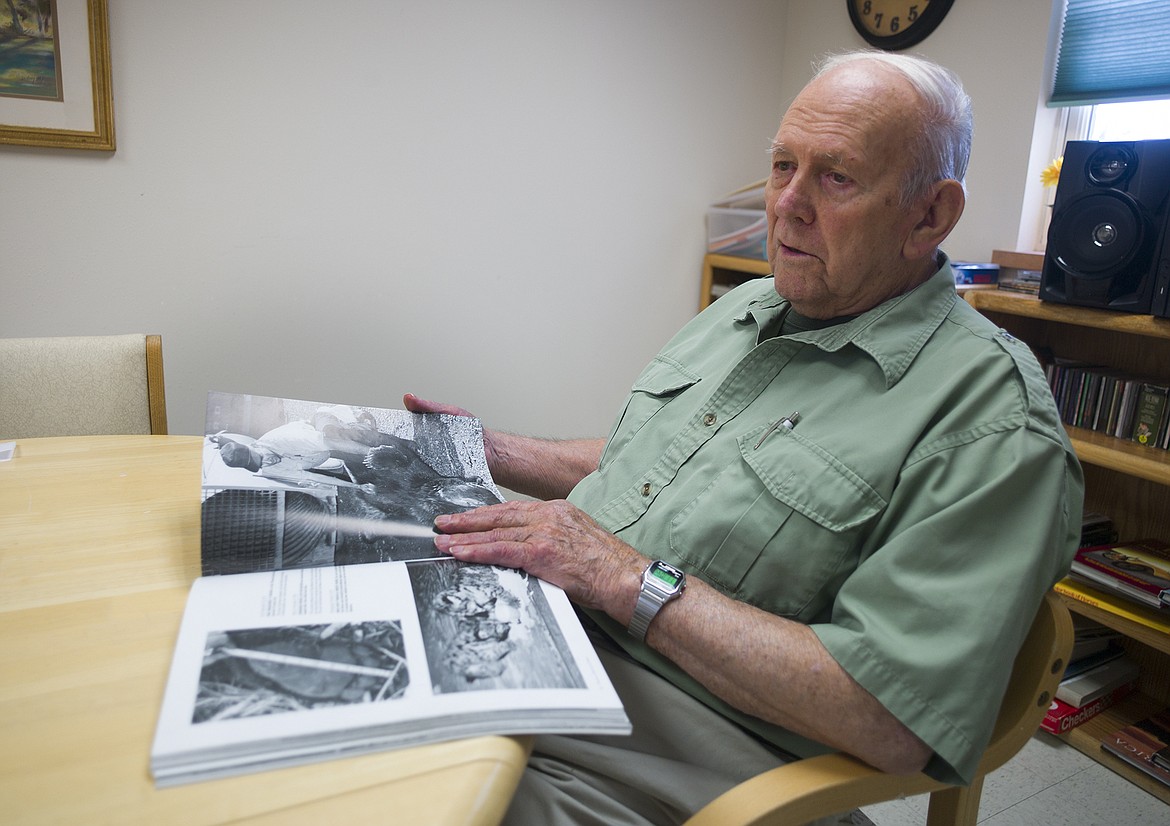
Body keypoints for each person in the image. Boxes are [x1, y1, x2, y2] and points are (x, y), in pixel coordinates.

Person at [408, 50, 1084, 825]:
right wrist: (487, 450)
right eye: (782, 165)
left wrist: (620, 575)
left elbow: (892, 716)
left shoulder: (992, 422)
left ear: (930, 214)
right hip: (535, 645)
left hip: (682, 758)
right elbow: (659, 466)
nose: (787, 204)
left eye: (836, 178)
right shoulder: (751, 305)